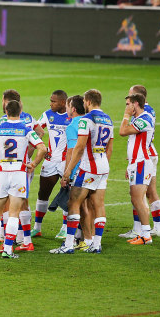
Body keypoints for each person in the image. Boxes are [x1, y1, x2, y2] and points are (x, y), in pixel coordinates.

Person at [0, 100, 47, 259]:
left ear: (6, 111)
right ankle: (8, 249)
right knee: (14, 212)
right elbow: (42, 148)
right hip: (19, 173)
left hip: (2, 173)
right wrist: (34, 164)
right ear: (20, 110)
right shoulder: (26, 130)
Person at [53, 89, 113, 254]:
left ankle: (68, 245)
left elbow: (78, 148)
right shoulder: (108, 119)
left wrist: (67, 172)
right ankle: (96, 244)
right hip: (103, 166)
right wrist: (103, 166)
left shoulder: (86, 120)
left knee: (73, 203)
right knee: (98, 204)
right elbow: (110, 148)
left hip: (88, 167)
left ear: (87, 101)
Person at [119, 85, 160, 239]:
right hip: (137, 160)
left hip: (144, 159)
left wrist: (125, 115)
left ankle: (147, 231)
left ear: (136, 101)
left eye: (129, 101)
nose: (127, 105)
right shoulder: (139, 116)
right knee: (137, 195)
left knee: (143, 195)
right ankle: (141, 230)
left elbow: (123, 132)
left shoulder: (145, 115)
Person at [32, 90, 70, 237]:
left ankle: (65, 228)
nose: (51, 103)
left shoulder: (71, 116)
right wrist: (41, 145)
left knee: (68, 195)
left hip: (66, 162)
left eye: (53, 101)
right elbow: (36, 130)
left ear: (62, 102)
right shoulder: (48, 115)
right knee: (43, 194)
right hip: (50, 161)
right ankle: (37, 227)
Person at [61, 95, 93, 248]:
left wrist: (67, 173)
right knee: (88, 205)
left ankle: (77, 239)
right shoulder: (89, 121)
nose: (66, 109)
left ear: (73, 109)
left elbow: (72, 151)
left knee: (77, 205)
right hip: (94, 168)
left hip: (79, 170)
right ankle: (86, 238)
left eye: (68, 107)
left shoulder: (73, 125)